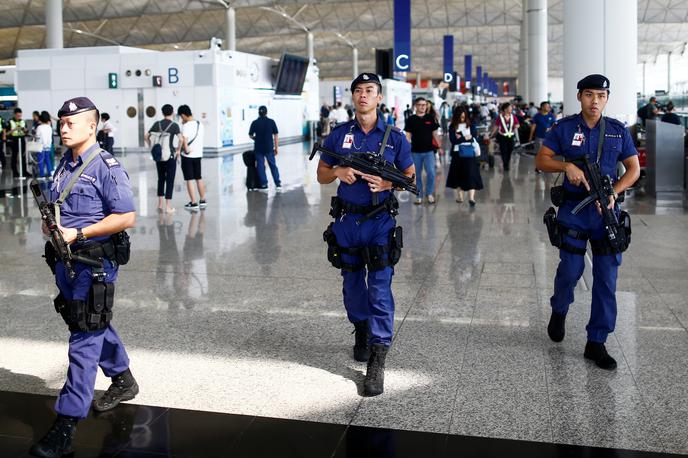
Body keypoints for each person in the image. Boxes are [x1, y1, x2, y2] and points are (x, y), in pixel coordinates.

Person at [30, 97, 138, 458]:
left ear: (92, 126)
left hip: (93, 263)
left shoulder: (106, 166)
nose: (63, 128)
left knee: (83, 340)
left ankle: (67, 421)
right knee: (90, 321)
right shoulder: (65, 163)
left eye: (70, 122)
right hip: (67, 262)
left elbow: (125, 216)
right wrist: (54, 226)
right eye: (61, 122)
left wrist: (79, 233)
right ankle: (122, 378)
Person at [316, 72, 414, 396]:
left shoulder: (395, 137)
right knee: (352, 286)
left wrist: (389, 183)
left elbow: (410, 176)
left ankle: (378, 355)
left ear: (379, 97)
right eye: (358, 90)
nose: (363, 96)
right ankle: (361, 328)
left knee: (381, 288)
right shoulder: (339, 135)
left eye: (369, 90)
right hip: (347, 221)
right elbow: (321, 174)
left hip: (380, 221)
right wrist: (337, 172)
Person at [535, 74, 640, 370]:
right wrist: (565, 165)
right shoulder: (565, 128)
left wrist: (613, 194)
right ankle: (559, 308)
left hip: (606, 212)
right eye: (590, 95)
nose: (596, 101)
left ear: (607, 98)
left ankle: (596, 342)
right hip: (574, 210)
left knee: (607, 278)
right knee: (571, 268)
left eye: (602, 96)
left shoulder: (618, 131)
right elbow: (541, 160)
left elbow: (633, 169)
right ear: (580, 96)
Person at [404, 97, 442, 204]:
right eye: (420, 105)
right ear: (416, 106)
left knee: (431, 173)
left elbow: (435, 134)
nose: (422, 107)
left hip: (429, 151)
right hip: (415, 151)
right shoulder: (411, 119)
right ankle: (419, 195)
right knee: (417, 175)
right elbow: (408, 135)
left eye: (424, 105)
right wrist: (405, 149)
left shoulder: (430, 118)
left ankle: (429, 193)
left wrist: (439, 146)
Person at [145, 104, 182, 213]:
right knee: (170, 180)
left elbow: (146, 136)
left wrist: (151, 146)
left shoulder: (157, 124)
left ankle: (160, 204)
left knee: (161, 178)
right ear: (172, 112)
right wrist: (178, 150)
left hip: (159, 156)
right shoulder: (174, 125)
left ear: (162, 113)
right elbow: (180, 139)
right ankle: (168, 207)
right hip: (170, 156)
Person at [445, 108, 483, 207]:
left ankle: (471, 198)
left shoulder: (471, 124)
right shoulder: (452, 126)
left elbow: (474, 136)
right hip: (457, 154)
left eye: (464, 116)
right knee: (458, 175)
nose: (462, 118)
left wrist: (461, 137)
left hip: (469, 153)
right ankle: (460, 196)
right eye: (460, 117)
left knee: (471, 174)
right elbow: (453, 141)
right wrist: (464, 137)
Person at [178, 104, 206, 210]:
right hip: (198, 155)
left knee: (189, 179)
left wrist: (186, 149)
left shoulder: (186, 126)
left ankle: (193, 202)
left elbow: (184, 139)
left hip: (188, 156)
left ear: (183, 115)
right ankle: (202, 200)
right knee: (198, 177)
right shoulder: (200, 124)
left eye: (181, 117)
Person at [249, 105, 281, 191]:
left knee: (260, 166)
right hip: (269, 147)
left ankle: (264, 185)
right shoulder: (271, 122)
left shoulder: (255, 122)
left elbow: (250, 135)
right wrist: (276, 147)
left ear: (259, 113)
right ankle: (278, 184)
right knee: (272, 165)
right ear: (266, 112)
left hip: (258, 148)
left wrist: (256, 138)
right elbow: (276, 135)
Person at [490, 102, 520, 172]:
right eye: (510, 108)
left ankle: (507, 160)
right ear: (505, 109)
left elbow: (517, 124)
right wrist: (492, 134)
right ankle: (505, 164)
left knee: (510, 149)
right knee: (503, 150)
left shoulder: (513, 116)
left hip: (511, 136)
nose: (511, 109)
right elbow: (496, 126)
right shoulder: (499, 117)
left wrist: (517, 126)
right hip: (502, 136)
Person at [5, 107, 29, 177]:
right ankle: (15, 173)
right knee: (14, 157)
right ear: (14, 115)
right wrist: (14, 129)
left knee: (23, 157)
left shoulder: (23, 121)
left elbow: (26, 132)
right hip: (14, 140)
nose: (19, 117)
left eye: (20, 116)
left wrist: (24, 130)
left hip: (21, 139)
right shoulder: (10, 122)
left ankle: (24, 172)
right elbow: (6, 133)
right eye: (18, 116)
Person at [34, 111, 54, 179]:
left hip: (40, 147)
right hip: (48, 147)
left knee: (40, 161)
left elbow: (37, 137)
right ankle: (50, 174)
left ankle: (42, 175)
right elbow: (50, 138)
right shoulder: (49, 127)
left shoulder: (39, 127)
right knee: (48, 161)